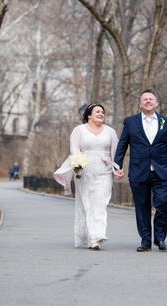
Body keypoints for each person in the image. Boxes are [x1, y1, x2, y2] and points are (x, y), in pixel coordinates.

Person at [114, 89, 167, 252]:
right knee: (142, 207)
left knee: (163, 203)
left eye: (151, 99)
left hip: (161, 171)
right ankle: (146, 241)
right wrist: (117, 166)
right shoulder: (130, 122)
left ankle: (160, 238)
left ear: (156, 103)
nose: (148, 101)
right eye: (145, 99)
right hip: (138, 171)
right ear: (140, 104)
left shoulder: (166, 122)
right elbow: (122, 145)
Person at [54, 104, 118, 250]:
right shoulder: (79, 130)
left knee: (101, 203)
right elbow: (74, 149)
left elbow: (115, 152)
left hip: (104, 171)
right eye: (97, 111)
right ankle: (93, 238)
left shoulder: (110, 132)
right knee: (88, 204)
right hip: (85, 172)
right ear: (89, 115)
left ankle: (98, 236)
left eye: (102, 111)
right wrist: (78, 165)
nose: (101, 113)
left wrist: (116, 169)